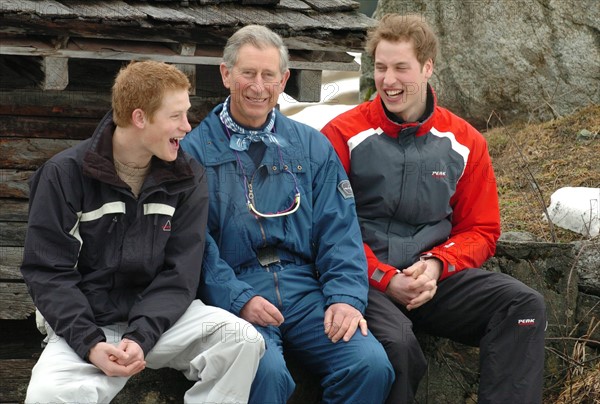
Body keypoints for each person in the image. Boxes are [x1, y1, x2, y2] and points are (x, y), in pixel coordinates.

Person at [321, 13, 547, 404]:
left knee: (523, 305)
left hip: (433, 282)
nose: (389, 80)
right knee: (399, 346)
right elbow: (325, 228)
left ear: (427, 68)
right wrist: (384, 277)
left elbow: (482, 229)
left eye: (401, 68)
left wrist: (437, 265)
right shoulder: (341, 135)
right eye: (380, 68)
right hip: (364, 279)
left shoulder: (464, 141)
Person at [20, 60, 264, 403]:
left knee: (242, 340)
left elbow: (181, 273)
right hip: (88, 323)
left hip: (160, 321)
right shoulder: (63, 175)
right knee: (47, 393)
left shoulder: (187, 177)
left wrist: (141, 338)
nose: (187, 127)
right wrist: (90, 344)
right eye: (176, 116)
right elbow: (47, 273)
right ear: (139, 118)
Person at [181, 25, 394, 403]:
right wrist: (237, 298)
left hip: (304, 288)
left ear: (284, 80)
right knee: (265, 373)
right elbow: (194, 245)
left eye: (268, 75)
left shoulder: (311, 146)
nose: (258, 87)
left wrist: (345, 297)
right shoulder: (194, 153)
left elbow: (339, 229)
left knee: (369, 364)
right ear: (226, 74)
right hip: (237, 292)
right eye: (248, 73)